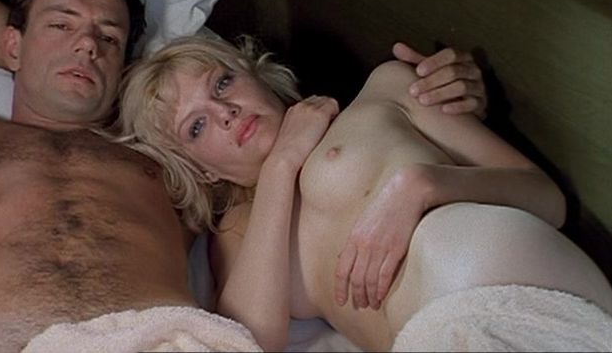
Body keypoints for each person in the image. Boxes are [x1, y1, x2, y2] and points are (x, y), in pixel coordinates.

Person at [117, 34, 612, 352]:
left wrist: (423, 185)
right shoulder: (239, 233)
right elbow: (252, 343)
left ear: (255, 73)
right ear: (200, 171)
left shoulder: (383, 92)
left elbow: (548, 199)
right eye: (197, 126)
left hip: (528, 291)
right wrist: (282, 165)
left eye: (223, 83)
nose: (225, 112)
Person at [0, 0, 265, 353]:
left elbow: (254, 159)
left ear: (124, 70)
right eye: (61, 25)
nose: (88, 45)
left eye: (109, 37)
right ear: (12, 46)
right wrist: (38, 53)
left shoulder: (168, 157)